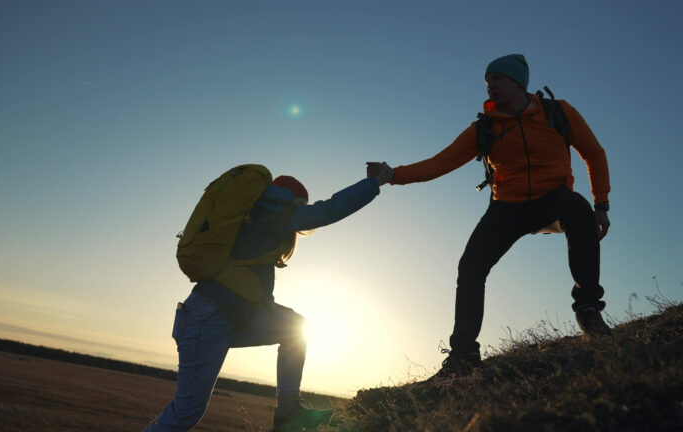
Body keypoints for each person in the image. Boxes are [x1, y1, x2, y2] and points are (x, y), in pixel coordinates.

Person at [368, 54, 612, 377]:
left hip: (553, 198)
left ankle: (588, 309)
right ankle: (463, 355)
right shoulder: (483, 130)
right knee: (471, 266)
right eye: (487, 81)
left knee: (579, 209)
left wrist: (602, 204)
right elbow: (440, 163)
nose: (489, 85)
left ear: (517, 82)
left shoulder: (558, 113)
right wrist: (393, 174)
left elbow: (594, 153)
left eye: (496, 79)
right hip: (507, 208)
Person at [143, 166, 394, 432]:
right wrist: (374, 183)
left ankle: (288, 411)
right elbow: (330, 209)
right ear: (293, 200)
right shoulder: (275, 210)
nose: (299, 217)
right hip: (209, 317)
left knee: (294, 327)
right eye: (301, 206)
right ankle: (287, 410)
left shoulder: (253, 213)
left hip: (227, 315)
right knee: (186, 412)